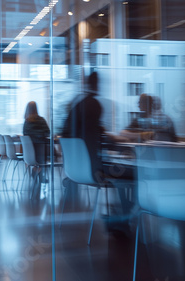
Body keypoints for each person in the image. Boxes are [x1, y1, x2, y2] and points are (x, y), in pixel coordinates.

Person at [62, 71, 134, 236]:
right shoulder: (93, 105)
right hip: (93, 170)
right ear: (96, 84)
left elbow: (89, 133)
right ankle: (122, 218)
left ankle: (119, 216)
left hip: (75, 170)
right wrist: (118, 143)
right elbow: (94, 136)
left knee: (119, 170)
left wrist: (109, 137)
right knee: (129, 172)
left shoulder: (77, 105)